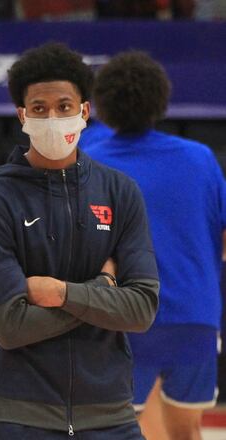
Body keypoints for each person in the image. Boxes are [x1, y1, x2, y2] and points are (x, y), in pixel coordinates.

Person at [0, 42, 160, 439]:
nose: (53, 117)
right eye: (39, 108)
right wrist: (101, 289)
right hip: (21, 416)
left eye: (64, 106)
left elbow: (141, 309)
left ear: (85, 111)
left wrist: (59, 292)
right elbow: (11, 326)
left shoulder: (120, 192)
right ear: (23, 116)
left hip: (110, 413)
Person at [85, 51, 226, 440]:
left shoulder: (90, 163)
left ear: (105, 103)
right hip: (195, 317)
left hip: (123, 320)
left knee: (109, 430)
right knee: (186, 431)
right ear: (159, 99)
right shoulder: (200, 159)